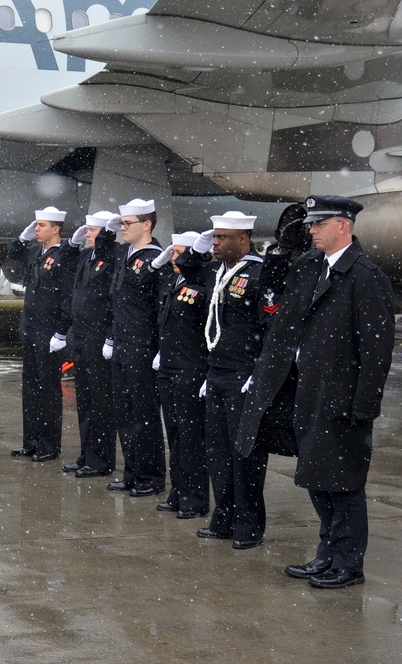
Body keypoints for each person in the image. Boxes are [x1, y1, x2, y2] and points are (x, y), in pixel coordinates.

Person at [239, 196, 394, 588]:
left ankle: (348, 563)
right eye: (310, 224)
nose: (311, 230)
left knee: (343, 484)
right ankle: (327, 555)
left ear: (344, 225)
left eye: (319, 224)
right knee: (316, 478)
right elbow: (280, 309)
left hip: (340, 396)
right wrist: (277, 253)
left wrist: (364, 406)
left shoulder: (364, 275)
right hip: (305, 392)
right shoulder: (309, 266)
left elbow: (377, 351)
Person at [176, 211, 269, 548]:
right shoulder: (218, 270)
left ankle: (249, 524)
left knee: (245, 454)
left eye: (221, 238)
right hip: (216, 372)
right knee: (217, 451)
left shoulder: (259, 274)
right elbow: (187, 269)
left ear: (242, 240)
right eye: (213, 238)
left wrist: (259, 372)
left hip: (243, 375)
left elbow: (270, 329)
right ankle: (224, 516)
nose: (215, 244)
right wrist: (198, 246)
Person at [104, 198, 166, 497]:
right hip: (123, 344)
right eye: (121, 223)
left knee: (144, 416)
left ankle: (150, 476)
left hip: (142, 345)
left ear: (147, 224)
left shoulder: (157, 259)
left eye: (128, 224)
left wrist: (158, 348)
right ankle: (132, 472)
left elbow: (157, 309)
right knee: (124, 414)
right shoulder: (127, 256)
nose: (122, 228)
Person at [7, 206, 77, 462]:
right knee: (31, 386)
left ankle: (49, 445)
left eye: (41, 225)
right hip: (31, 326)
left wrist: (61, 332)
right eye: (36, 225)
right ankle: (31, 441)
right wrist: (22, 238)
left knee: (48, 388)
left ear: (56, 228)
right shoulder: (36, 250)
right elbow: (13, 254)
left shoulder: (65, 256)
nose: (36, 229)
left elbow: (67, 297)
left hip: (48, 330)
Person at [151, 231, 210, 518]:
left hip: (191, 368)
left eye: (181, 252)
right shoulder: (172, 281)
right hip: (169, 366)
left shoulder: (202, 285)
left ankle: (195, 497)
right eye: (173, 252)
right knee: (173, 433)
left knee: (191, 436)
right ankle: (179, 489)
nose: (176, 258)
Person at [62, 210, 118, 477]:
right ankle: (86, 453)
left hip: (98, 337)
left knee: (100, 401)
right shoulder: (87, 256)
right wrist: (73, 244)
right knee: (84, 400)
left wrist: (109, 335)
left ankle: (101, 459)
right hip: (82, 336)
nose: (87, 235)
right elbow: (65, 260)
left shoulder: (112, 257)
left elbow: (111, 301)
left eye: (92, 231)